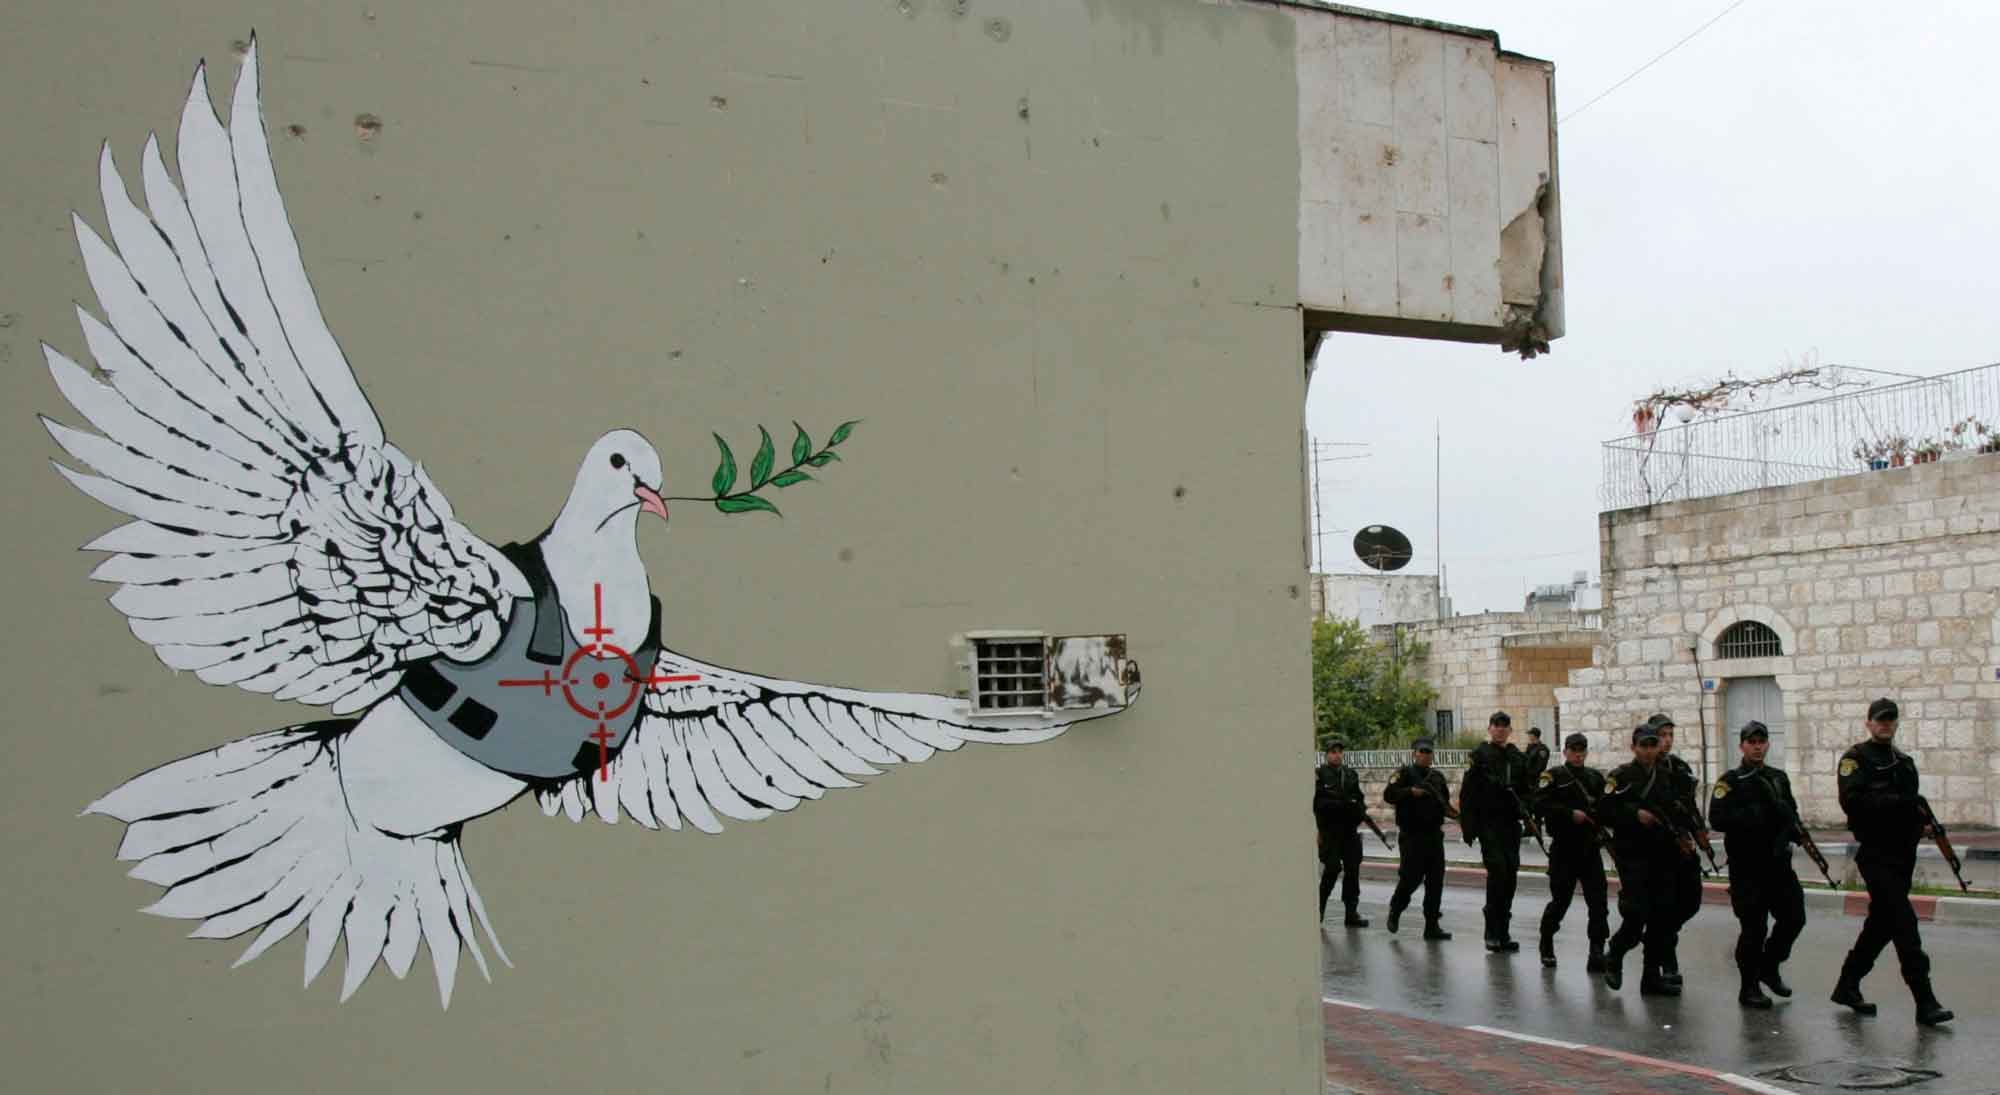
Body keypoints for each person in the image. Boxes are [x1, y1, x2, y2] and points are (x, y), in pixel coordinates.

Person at [1832, 698, 1954, 1025]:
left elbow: (1912, 808)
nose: (1885, 724)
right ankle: (1924, 1001)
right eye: (1880, 719)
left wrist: (1922, 825)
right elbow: (1853, 803)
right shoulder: (1855, 760)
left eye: (1891, 720)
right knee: (1904, 925)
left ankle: (1847, 985)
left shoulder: (1904, 762)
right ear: (1869, 723)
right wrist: (1899, 806)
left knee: (1880, 926)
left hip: (1903, 856)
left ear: (1896, 724)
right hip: (1876, 855)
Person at [1707, 721, 1807, 1009]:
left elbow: (1791, 813)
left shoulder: (1778, 778)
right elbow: (1717, 819)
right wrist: (1754, 817)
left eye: (1761, 741)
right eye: (1751, 741)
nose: (1757, 746)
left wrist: (1794, 831)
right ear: (1742, 746)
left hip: (1778, 864)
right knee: (1754, 929)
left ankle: (1770, 965)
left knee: (1794, 918)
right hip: (1747, 867)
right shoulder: (1731, 781)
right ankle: (1748, 987)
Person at [1600, 723, 1690, 995]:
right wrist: (1633, 814)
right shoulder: (1621, 776)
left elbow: (1675, 808)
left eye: (1653, 745)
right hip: (1633, 855)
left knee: (1661, 916)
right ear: (1634, 748)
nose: (1649, 751)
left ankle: (1651, 977)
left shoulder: (1665, 776)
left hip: (1662, 854)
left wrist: (1684, 834)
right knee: (1637, 914)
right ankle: (1614, 954)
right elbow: (1603, 809)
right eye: (1644, 746)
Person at [1533, 732, 1609, 971]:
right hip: (1564, 849)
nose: (1578, 754)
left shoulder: (1595, 778)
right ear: (1565, 751)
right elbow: (1539, 803)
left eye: (1582, 750)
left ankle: (1596, 951)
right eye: (1574, 750)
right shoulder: (1553, 777)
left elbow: (1606, 808)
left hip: (1589, 848)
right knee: (1560, 902)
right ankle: (1546, 942)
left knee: (1598, 903)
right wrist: (1568, 814)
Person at [1459, 710, 1531, 952]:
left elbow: (1527, 790)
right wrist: (1469, 827)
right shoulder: (1480, 756)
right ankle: (1491, 931)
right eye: (1496, 725)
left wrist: (1530, 815)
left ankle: (1504, 932)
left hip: (1510, 825)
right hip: (1489, 825)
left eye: (1505, 726)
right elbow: (1468, 793)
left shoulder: (1516, 757)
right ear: (1489, 729)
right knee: (1498, 873)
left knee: (1510, 876)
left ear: (1510, 730)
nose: (1500, 729)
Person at [1647, 713, 1705, 986]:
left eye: (1670, 735)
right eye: (1662, 735)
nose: (1667, 741)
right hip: (1656, 849)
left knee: (1691, 900)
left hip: (1681, 844)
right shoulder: (1644, 770)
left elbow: (1689, 806)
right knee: (1664, 905)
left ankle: (1661, 937)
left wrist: (1699, 833)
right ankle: (1666, 961)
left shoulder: (1679, 767)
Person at [1383, 738, 1453, 941]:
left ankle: (1432, 925)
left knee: (1435, 881)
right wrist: (1409, 792)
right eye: (1423, 751)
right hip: (1412, 836)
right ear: (1414, 753)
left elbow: (1445, 804)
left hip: (1433, 835)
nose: (1427, 755)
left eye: (1430, 752)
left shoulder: (1438, 777)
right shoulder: (1404, 773)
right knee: (1411, 878)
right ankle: (1396, 908)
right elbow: (1389, 794)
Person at [1314, 740, 1369, 927]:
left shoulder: (1350, 775)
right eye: (1333, 752)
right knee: (1332, 869)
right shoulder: (1319, 775)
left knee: (1353, 870)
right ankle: (1318, 909)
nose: (1337, 755)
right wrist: (1340, 806)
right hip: (1330, 831)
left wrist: (1358, 811)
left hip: (1349, 831)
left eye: (1339, 752)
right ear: (1326, 755)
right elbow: (1317, 804)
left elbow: (1359, 800)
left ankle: (1351, 912)